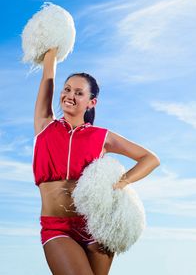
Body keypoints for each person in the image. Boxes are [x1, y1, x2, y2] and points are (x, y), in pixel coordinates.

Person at [32, 47, 160, 275]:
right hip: (56, 227)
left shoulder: (102, 136)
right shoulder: (45, 126)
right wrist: (52, 46)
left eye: (79, 93)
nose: (70, 95)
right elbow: (47, 78)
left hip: (96, 227)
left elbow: (150, 159)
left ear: (92, 102)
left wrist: (121, 183)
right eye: (67, 89)